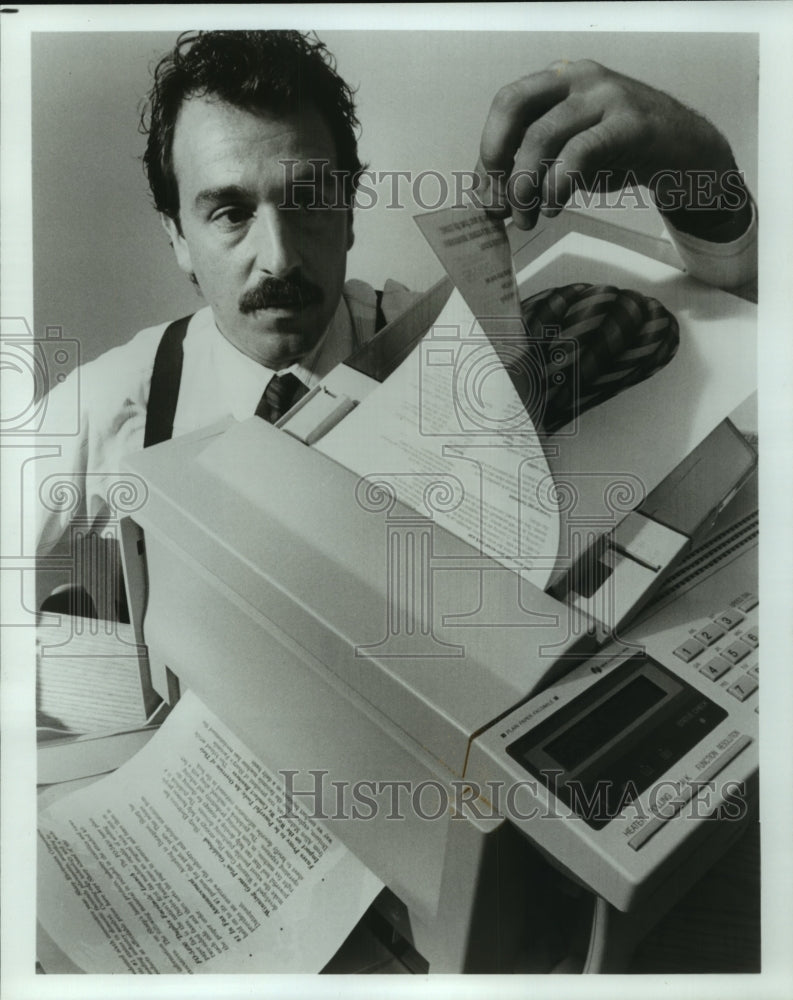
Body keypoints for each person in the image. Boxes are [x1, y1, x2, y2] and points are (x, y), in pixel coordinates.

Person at [35, 31, 757, 604]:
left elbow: (722, 367)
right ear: (176, 239)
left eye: (310, 199)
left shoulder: (451, 348)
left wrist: (701, 176)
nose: (278, 258)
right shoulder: (115, 401)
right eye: (229, 212)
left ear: (348, 212)